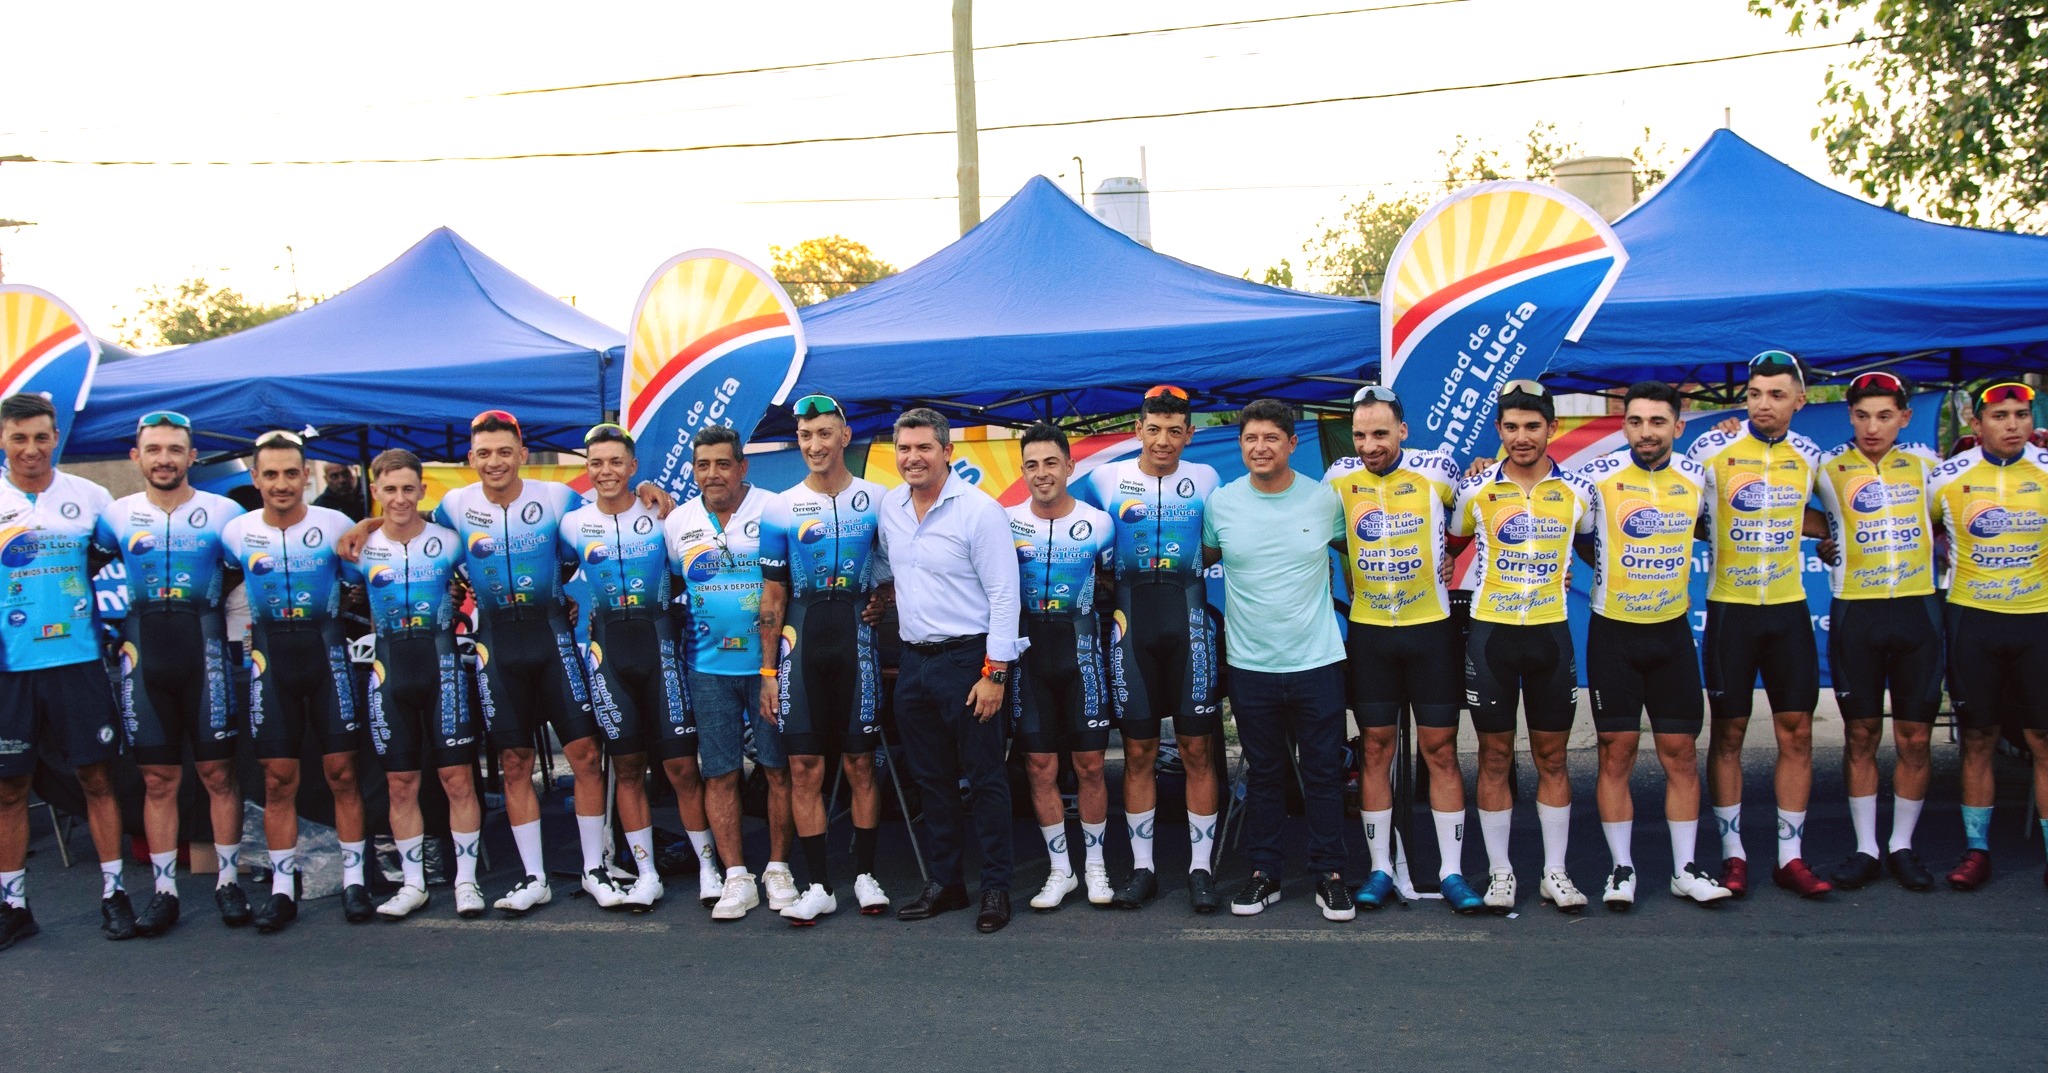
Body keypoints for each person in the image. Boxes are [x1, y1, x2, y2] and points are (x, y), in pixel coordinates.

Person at [341, 410, 622, 915]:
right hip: (496, 642)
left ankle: (594, 869)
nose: (495, 462)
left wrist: (650, 495)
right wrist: (368, 522)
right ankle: (534, 876)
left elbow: (607, 508)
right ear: (471, 460)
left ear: (521, 452)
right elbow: (405, 526)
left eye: (504, 452)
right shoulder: (453, 505)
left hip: (551, 633)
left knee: (582, 753)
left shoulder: (557, 498)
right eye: (485, 454)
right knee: (515, 763)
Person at [1325, 385, 1484, 913]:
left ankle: (1453, 872)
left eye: (1380, 434)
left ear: (1403, 431)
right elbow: (1333, 535)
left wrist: (1447, 558)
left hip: (1431, 631)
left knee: (1440, 751)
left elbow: (1466, 524)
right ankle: (1378, 869)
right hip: (1371, 633)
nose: (1370, 444)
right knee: (1375, 750)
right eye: (1361, 434)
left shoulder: (1438, 471)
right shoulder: (1338, 478)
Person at [1572, 382, 1730, 909]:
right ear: (1624, 426)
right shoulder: (1597, 477)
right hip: (1613, 632)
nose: (1646, 432)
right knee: (1617, 753)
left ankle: (1685, 867)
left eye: (1657, 422)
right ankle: (1622, 869)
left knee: (1680, 755)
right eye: (1636, 422)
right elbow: (1565, 527)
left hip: (1671, 633)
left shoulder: (1698, 475)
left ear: (1678, 427)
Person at [94, 410, 251, 933]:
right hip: (144, 655)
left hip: (203, 652)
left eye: (175, 449)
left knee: (218, 774)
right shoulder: (115, 515)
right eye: (155, 449)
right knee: (158, 780)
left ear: (192, 456)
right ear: (136, 457)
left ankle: (228, 882)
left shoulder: (224, 511)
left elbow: (251, 561)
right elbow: (80, 570)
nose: (165, 458)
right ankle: (164, 892)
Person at [1685, 351, 1829, 898]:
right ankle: (1733, 854)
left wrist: (1831, 539)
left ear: (1799, 399)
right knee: (1729, 733)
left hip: (1788, 610)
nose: (1763, 405)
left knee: (1797, 733)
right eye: (1754, 394)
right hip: (1730, 610)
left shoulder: (1810, 455)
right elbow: (1678, 511)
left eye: (1775, 394)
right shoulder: (1713, 447)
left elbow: (1826, 516)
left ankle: (1790, 858)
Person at [1075, 385, 1224, 912]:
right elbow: (1077, 537)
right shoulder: (1103, 478)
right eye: (1153, 429)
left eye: (1175, 431)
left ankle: (1200, 869)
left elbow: (1220, 542)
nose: (1164, 440)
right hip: (1129, 621)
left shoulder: (1206, 478)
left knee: (1197, 751)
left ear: (1189, 434)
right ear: (1137, 430)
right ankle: (1143, 869)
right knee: (1137, 751)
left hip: (1188, 620)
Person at [875, 408, 1024, 934]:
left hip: (970, 661)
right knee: (931, 781)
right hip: (914, 663)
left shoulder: (979, 512)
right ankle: (946, 884)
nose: (912, 458)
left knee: (985, 780)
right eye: (904, 449)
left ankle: (997, 889)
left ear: (947, 453)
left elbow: (1006, 595)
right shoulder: (889, 506)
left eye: (923, 448)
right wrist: (877, 596)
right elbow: (885, 566)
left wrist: (996, 673)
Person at [1200, 399, 1351, 920]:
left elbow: (1365, 549)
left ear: (1291, 444)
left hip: (1319, 661)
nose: (1259, 448)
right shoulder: (1220, 504)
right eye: (1250, 439)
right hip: (1251, 665)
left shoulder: (1325, 500)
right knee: (1263, 774)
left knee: (1324, 772)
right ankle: (1264, 874)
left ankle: (1330, 874)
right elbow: (1200, 561)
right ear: (1240, 446)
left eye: (1271, 438)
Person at [1450, 380, 1594, 914]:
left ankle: (1554, 873)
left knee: (1552, 757)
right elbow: (1450, 544)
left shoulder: (1579, 492)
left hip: (1551, 636)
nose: (1521, 437)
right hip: (1491, 635)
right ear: (1499, 431)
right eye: (1510, 427)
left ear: (1552, 429)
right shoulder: (1476, 489)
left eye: (1532, 426)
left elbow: (1596, 544)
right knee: (1493, 756)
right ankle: (1501, 873)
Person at [219, 430, 369, 932]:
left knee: (342, 775)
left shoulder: (336, 523)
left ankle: (354, 881)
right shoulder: (236, 532)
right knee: (278, 779)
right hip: (271, 663)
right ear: (256, 480)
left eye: (290, 473)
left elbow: (367, 568)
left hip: (326, 657)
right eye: (271, 474)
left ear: (307, 476)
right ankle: (283, 890)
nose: (281, 484)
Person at [562, 424, 712, 912]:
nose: (605, 471)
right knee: (627, 767)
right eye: (596, 463)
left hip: (660, 647)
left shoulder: (660, 513)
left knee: (682, 767)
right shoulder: (571, 523)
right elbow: (544, 569)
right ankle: (646, 873)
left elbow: (688, 572)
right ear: (588, 471)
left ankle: (710, 868)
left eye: (614, 462)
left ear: (632, 467)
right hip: (608, 651)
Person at [756, 395, 892, 923]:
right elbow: (771, 598)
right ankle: (818, 884)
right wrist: (768, 673)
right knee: (804, 767)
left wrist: (882, 600)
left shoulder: (878, 498)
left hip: (856, 643)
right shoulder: (780, 506)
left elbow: (896, 573)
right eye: (806, 436)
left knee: (861, 764)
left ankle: (866, 874)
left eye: (824, 434)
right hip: (801, 644)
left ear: (844, 436)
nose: (814, 445)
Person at [0, 393, 126, 950]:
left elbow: (133, 554)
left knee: (96, 779)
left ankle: (114, 892)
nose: (31, 449)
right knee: (9, 790)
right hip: (11, 669)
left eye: (41, 437)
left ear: (57, 438)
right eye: (19, 437)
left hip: (77, 663)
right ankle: (14, 905)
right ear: (3, 440)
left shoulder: (92, 497)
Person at [1809, 372, 1943, 892]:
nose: (1872, 426)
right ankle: (1866, 847)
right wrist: (1830, 535)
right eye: (1862, 415)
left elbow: (1956, 520)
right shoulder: (1826, 467)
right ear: (1850, 417)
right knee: (1860, 734)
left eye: (1884, 415)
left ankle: (1902, 845)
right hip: (1856, 615)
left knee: (1914, 736)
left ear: (1904, 418)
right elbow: (1775, 502)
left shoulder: (1930, 466)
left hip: (1916, 613)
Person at [346, 449, 486, 920]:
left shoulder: (449, 541)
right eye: (390, 489)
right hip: (389, 670)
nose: (400, 498)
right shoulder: (358, 547)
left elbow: (485, 583)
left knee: (457, 778)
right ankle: (412, 884)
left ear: (423, 490)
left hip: (442, 666)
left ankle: (466, 882)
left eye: (409, 488)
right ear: (375, 492)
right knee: (400, 783)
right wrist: (364, 525)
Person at [665, 424, 793, 920]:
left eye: (723, 463)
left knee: (776, 769)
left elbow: (788, 587)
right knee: (718, 774)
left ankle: (778, 868)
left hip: (767, 668)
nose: (713, 474)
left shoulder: (774, 509)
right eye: (703, 465)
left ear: (743, 466)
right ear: (694, 471)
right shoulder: (677, 522)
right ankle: (737, 876)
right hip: (706, 667)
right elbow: (671, 584)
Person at [1927, 380, 2048, 892]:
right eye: (1999, 416)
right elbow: (1919, 528)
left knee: (2043, 740)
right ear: (1976, 426)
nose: (2012, 425)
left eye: (2020, 414)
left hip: (2037, 619)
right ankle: (1977, 849)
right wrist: (1941, 548)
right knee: (1978, 739)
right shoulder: (1946, 478)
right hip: (1974, 619)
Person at [1008, 423, 1117, 911]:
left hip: (1082, 652)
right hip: (1030, 656)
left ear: (1070, 466)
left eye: (1051, 463)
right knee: (1039, 765)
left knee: (1091, 764)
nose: (1041, 473)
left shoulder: (1099, 523)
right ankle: (1060, 870)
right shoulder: (1005, 521)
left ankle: (1095, 866)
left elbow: (1113, 587)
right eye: (1031, 464)